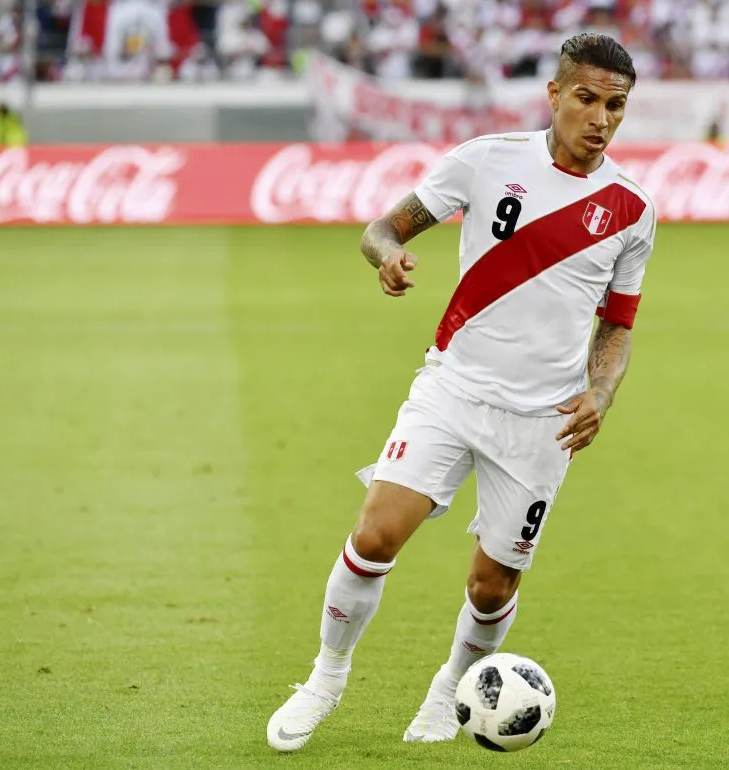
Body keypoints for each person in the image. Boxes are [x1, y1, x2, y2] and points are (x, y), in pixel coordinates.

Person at [267, 31, 656, 752]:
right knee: (374, 534)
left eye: (617, 106)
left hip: (542, 421)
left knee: (491, 589)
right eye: (587, 99)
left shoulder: (632, 210)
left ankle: (450, 690)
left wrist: (601, 394)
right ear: (555, 94)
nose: (601, 117)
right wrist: (388, 256)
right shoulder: (486, 160)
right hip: (452, 388)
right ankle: (325, 677)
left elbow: (619, 327)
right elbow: (383, 227)